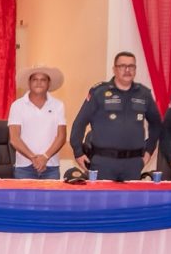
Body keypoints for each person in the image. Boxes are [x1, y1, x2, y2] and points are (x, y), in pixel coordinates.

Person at [69, 51, 162, 182]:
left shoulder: (144, 94)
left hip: (133, 164)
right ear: (114, 69)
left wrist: (148, 152)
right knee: (103, 201)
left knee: (131, 202)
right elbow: (80, 122)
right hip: (103, 163)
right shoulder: (99, 92)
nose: (127, 70)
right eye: (122, 66)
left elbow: (156, 124)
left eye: (131, 66)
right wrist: (78, 152)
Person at [7, 65, 68, 180]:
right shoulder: (17, 105)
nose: (38, 83)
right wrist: (33, 158)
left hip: (51, 167)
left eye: (43, 80)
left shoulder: (58, 105)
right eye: (35, 79)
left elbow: (61, 136)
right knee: (24, 199)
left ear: (49, 84)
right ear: (29, 83)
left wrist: (45, 157)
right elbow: (14, 138)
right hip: (24, 168)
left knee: (50, 199)